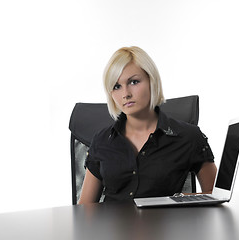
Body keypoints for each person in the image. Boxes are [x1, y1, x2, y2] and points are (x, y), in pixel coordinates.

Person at [78, 46, 217, 204]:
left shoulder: (189, 137)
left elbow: (215, 196)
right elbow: (85, 210)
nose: (126, 94)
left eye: (134, 82)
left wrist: (178, 200)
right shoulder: (102, 140)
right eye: (116, 86)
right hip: (111, 228)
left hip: (166, 227)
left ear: (152, 81)